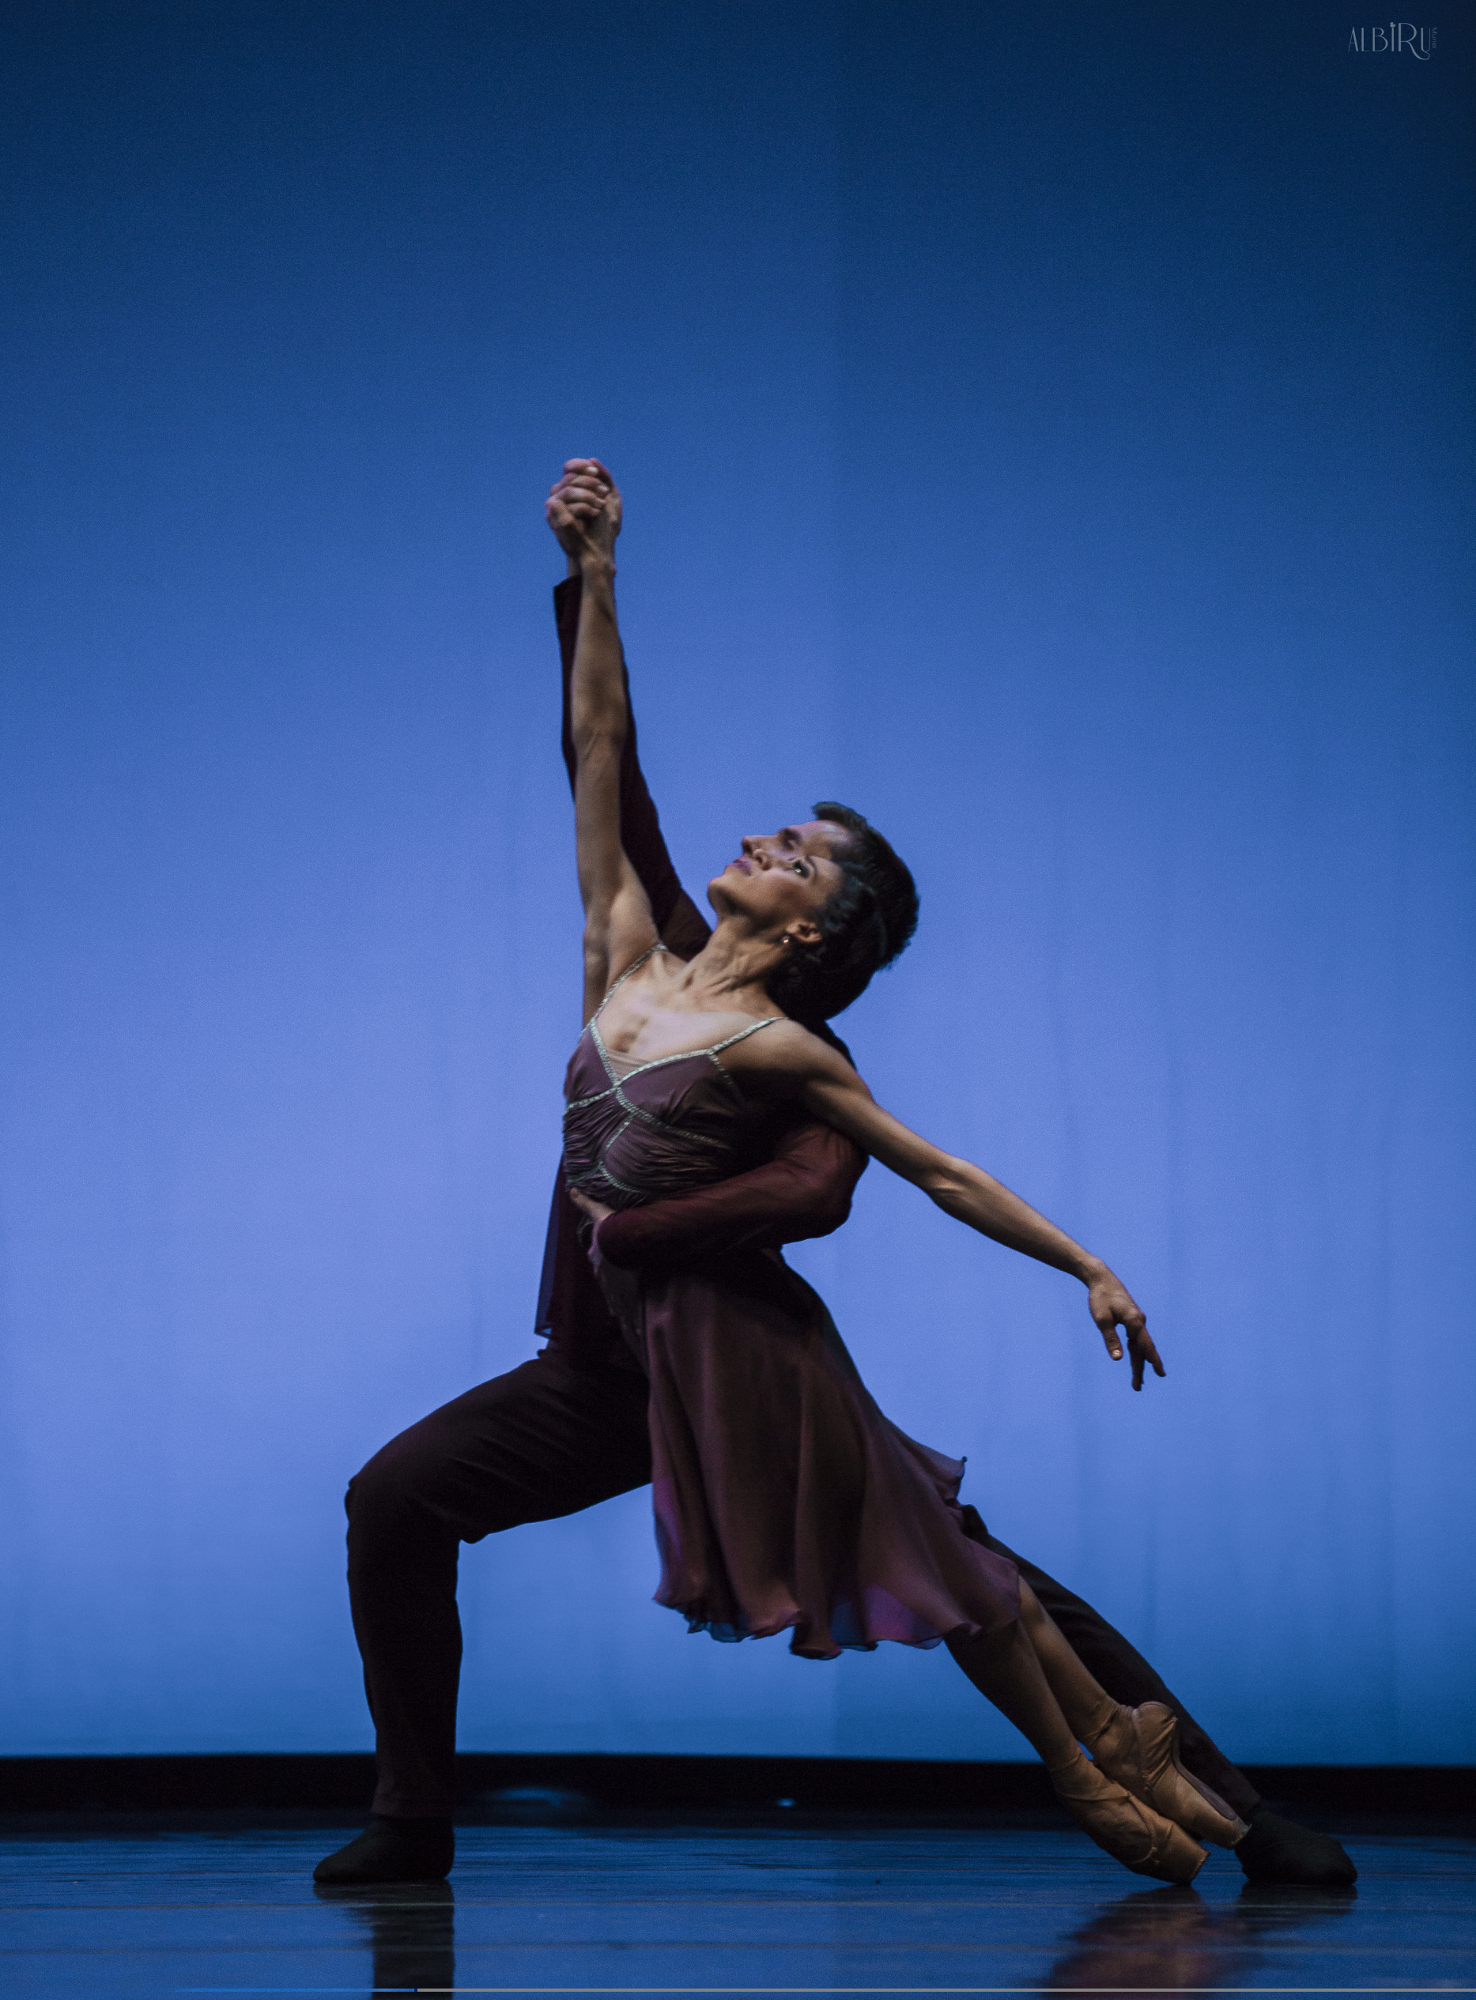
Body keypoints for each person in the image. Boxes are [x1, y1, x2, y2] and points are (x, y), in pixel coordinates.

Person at [313, 462, 1355, 1891]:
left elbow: (856, 1186)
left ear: (814, 931)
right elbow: (602, 753)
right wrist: (595, 576)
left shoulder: (797, 1059)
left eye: (799, 855)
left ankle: (1232, 1810)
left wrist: (1085, 1264)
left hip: (740, 1366)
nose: (763, 840)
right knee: (394, 1499)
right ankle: (413, 1817)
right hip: (607, 1376)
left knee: (973, 1571)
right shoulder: (633, 951)